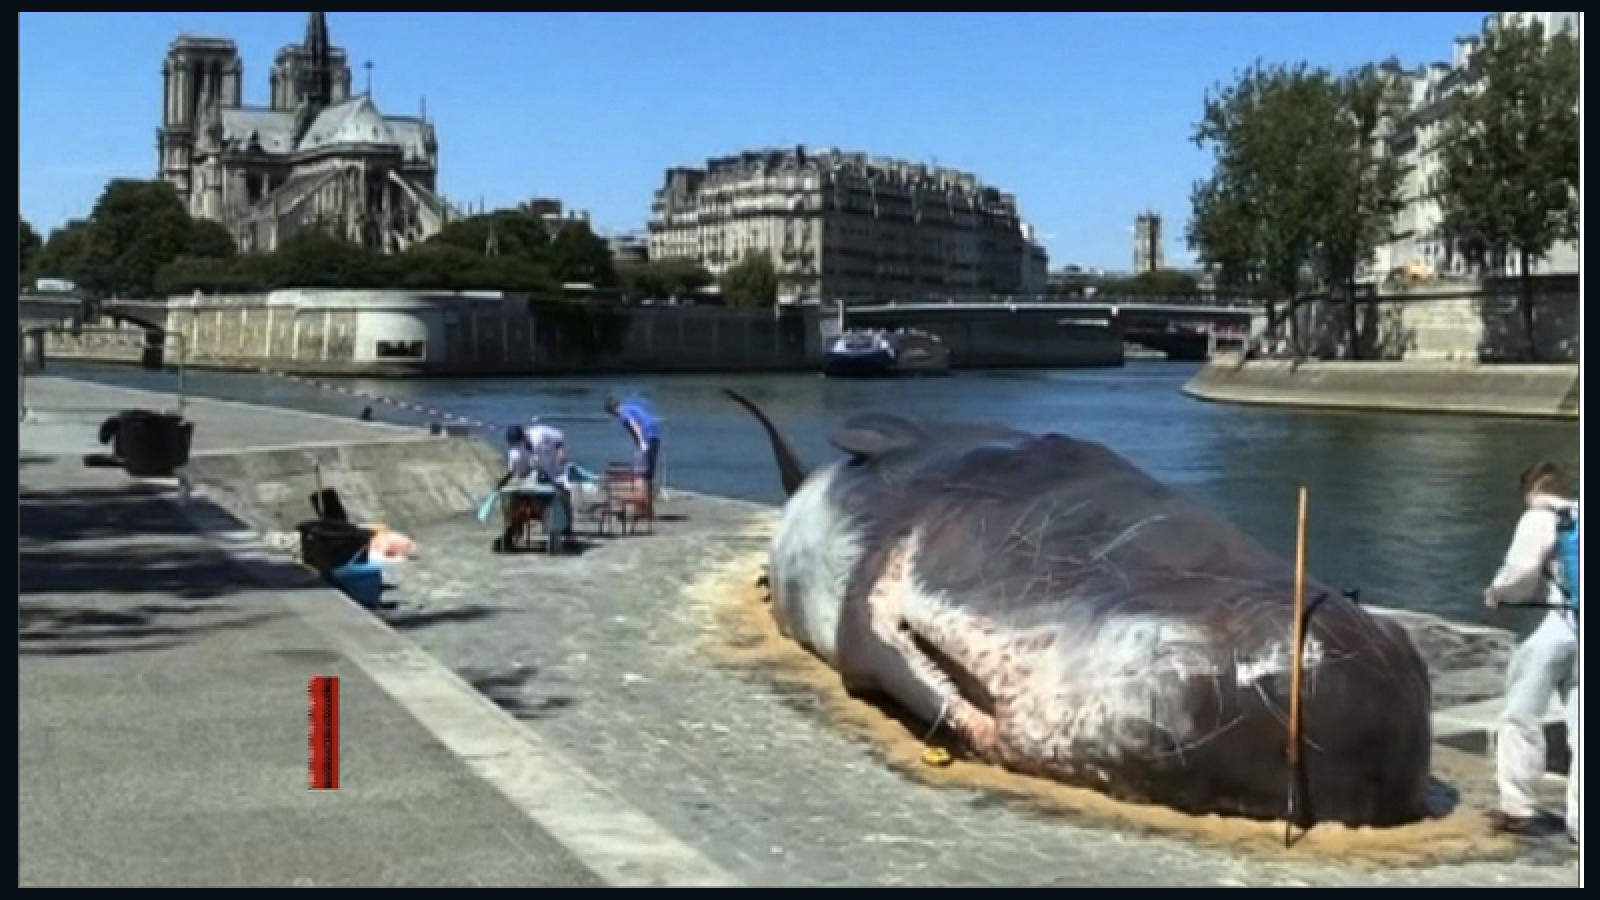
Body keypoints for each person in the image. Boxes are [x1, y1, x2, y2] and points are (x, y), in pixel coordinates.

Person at [1483, 460, 1580, 844]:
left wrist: (1497, 593)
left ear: (1530, 490)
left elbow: (1522, 572)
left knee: (1522, 716)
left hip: (1547, 625)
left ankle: (1517, 807)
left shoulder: (1538, 518)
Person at [604, 395, 663, 491]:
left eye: (611, 413)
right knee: (649, 466)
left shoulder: (623, 413)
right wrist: (638, 445)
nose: (613, 416)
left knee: (644, 468)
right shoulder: (631, 407)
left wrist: (642, 442)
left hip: (648, 436)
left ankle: (644, 492)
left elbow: (634, 425)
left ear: (613, 410)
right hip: (654, 434)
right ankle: (648, 491)